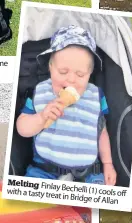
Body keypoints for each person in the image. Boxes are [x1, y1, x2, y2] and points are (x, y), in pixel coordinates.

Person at [16, 25, 116, 185]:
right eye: (63, 72)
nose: (71, 79)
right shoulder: (40, 92)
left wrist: (108, 164)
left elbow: (101, 131)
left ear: (90, 73)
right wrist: (41, 117)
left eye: (80, 74)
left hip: (88, 173)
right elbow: (22, 129)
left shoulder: (96, 96)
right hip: (43, 171)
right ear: (50, 68)